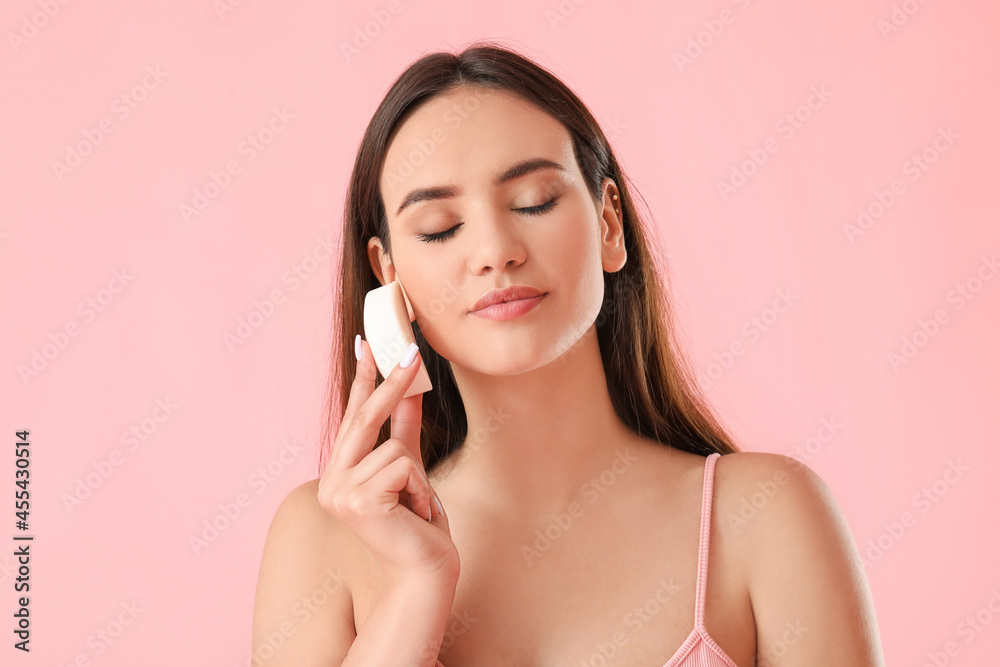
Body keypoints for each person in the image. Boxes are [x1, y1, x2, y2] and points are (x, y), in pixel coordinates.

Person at [250, 41, 885, 666]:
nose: (495, 249)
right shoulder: (323, 540)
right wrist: (416, 591)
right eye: (440, 226)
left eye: (534, 202)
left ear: (609, 224)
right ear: (389, 277)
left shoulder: (765, 518)